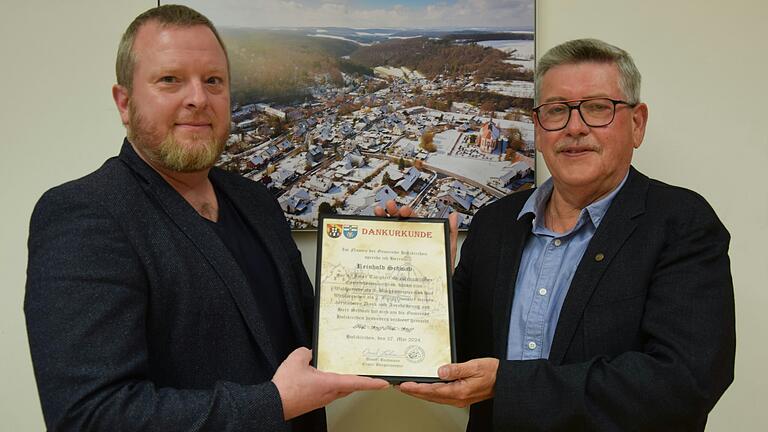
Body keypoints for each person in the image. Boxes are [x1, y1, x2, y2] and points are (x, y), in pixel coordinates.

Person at [24, 5, 387, 431]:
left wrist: (392, 255)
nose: (198, 98)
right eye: (170, 80)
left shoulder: (256, 202)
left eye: (213, 80)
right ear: (124, 103)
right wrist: (273, 404)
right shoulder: (84, 215)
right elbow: (89, 418)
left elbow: (315, 334)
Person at [396, 39, 735, 431]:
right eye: (557, 111)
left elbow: (684, 383)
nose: (575, 127)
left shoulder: (681, 224)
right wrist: (415, 272)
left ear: (637, 124)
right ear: (539, 130)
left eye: (597, 109)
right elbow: (449, 349)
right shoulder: (494, 223)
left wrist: (511, 386)